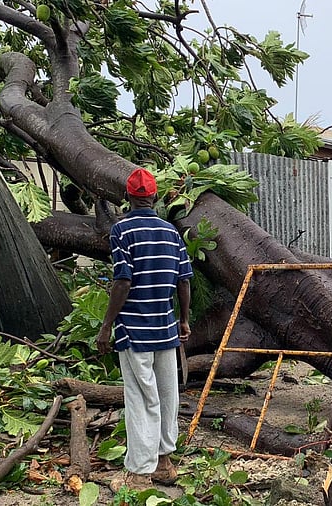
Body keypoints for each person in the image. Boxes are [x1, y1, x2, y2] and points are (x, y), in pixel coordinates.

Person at [96, 167, 193, 492]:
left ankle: (138, 473)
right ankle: (165, 462)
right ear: (154, 198)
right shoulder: (171, 232)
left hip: (134, 330)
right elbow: (184, 280)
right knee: (168, 394)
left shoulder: (121, 231)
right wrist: (184, 319)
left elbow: (123, 280)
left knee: (140, 398)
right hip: (166, 329)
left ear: (128, 197)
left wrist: (106, 326)